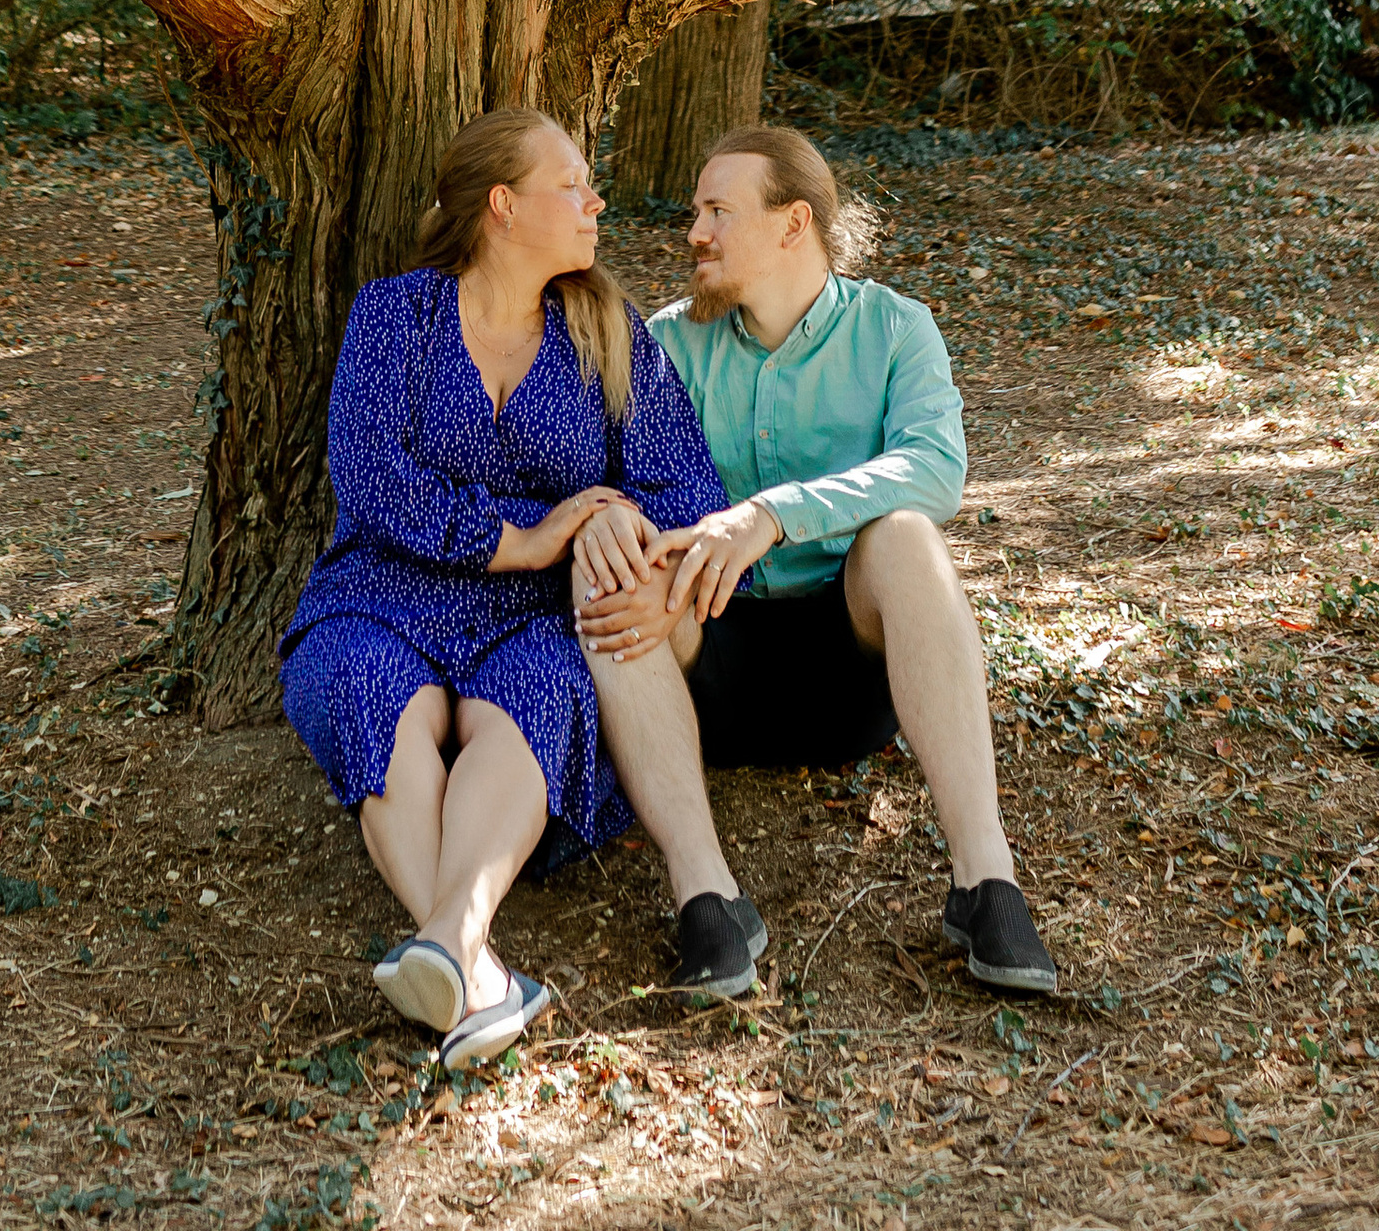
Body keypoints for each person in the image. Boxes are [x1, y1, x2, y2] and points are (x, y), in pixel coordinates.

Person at [279, 107, 764, 1068]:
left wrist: (618, 514)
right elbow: (372, 480)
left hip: (537, 618)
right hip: (387, 589)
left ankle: (450, 955)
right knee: (376, 692)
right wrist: (525, 537)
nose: (596, 201)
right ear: (502, 206)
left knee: (539, 696)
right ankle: (475, 962)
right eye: (572, 184)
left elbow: (688, 486)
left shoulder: (606, 329)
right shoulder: (394, 314)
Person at [572, 122, 1059, 999]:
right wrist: (606, 518)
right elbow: (603, 474)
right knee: (605, 567)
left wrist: (771, 515)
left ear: (794, 223)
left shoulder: (896, 330)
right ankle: (705, 897)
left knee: (906, 535)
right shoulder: (668, 345)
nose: (695, 233)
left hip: (853, 672)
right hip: (703, 668)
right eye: (696, 212)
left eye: (719, 210)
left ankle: (986, 879)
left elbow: (935, 470)